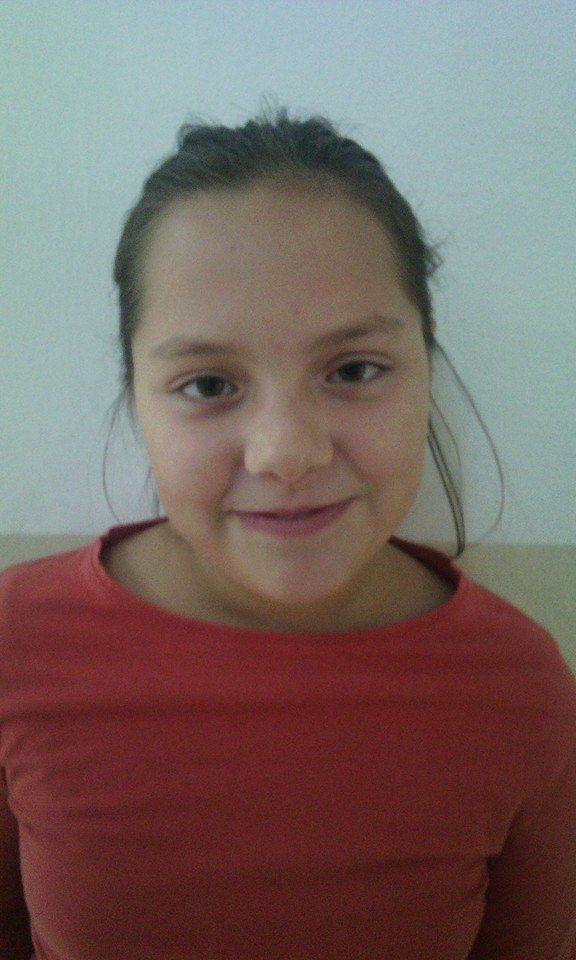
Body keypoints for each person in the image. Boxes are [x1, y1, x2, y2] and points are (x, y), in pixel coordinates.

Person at [1, 107, 575, 960]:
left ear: (427, 365)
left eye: (354, 370)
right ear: (135, 394)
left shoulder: (521, 688)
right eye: (207, 385)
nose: (287, 454)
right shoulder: (16, 643)